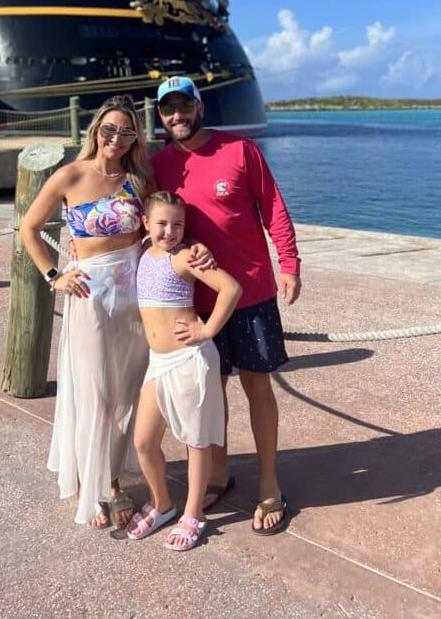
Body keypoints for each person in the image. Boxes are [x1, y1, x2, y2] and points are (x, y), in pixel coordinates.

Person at [151, 76, 301, 535]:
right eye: (167, 109)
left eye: (184, 106)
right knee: (210, 394)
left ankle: (270, 484)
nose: (177, 115)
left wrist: (289, 261)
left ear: (200, 107)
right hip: (195, 305)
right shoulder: (158, 166)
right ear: (161, 117)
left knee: (258, 386)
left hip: (252, 292)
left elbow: (272, 205)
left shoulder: (239, 150)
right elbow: (145, 221)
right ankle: (219, 474)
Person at [19, 94, 153, 529]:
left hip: (133, 293)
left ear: (136, 138)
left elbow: (151, 231)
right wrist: (53, 274)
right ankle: (90, 487)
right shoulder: (70, 175)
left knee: (126, 392)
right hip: (89, 293)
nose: (116, 138)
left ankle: (111, 479)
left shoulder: (138, 178)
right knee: (95, 391)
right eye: (109, 129)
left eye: (126, 131)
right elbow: (30, 228)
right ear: (95, 130)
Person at [126, 192, 241, 551]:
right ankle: (162, 503)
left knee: (195, 441)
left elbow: (230, 288)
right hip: (158, 363)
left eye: (178, 224)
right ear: (146, 223)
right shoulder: (143, 251)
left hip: (189, 359)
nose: (170, 231)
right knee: (144, 441)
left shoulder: (185, 257)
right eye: (162, 223)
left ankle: (194, 513)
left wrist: (206, 331)